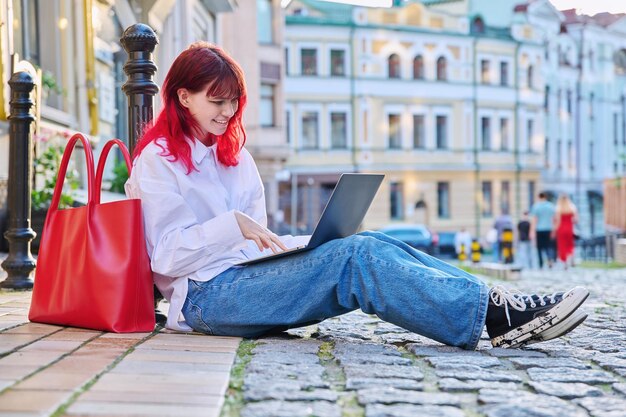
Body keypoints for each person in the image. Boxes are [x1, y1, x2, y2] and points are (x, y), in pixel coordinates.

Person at [125, 42, 589, 350]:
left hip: (246, 280)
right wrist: (234, 226)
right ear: (183, 97)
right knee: (355, 262)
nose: (228, 113)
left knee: (371, 243)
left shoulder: (235, 158)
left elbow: (254, 246)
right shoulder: (158, 161)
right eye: (216, 101)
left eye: (234, 102)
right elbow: (164, 258)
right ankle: (495, 318)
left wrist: (300, 244)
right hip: (205, 299)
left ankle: (495, 301)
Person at [530, 192, 557, 269]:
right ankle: (549, 259)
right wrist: (553, 230)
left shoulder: (536, 207)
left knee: (539, 248)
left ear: (539, 197)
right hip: (549, 229)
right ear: (545, 197)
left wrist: (532, 231)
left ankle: (541, 263)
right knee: (548, 246)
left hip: (539, 229)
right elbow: (554, 219)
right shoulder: (551, 206)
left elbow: (534, 220)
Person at [554, 195, 578, 268]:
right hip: (569, 228)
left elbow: (558, 221)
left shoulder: (558, 208)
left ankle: (565, 263)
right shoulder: (572, 207)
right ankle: (572, 258)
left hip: (561, 229)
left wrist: (554, 230)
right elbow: (576, 220)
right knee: (570, 245)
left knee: (562, 246)